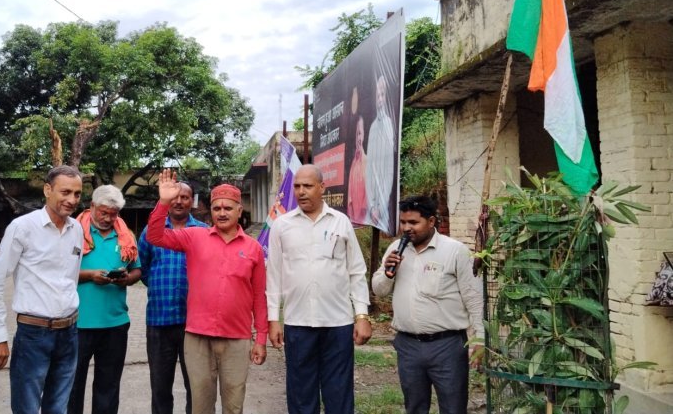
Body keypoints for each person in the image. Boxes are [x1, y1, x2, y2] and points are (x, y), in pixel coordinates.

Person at [146, 170, 267, 414]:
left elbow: (258, 296)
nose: (222, 212)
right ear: (210, 211)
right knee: (201, 406)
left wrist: (261, 338)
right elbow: (155, 236)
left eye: (228, 208)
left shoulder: (253, 248)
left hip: (237, 338)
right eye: (217, 208)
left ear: (239, 211)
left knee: (233, 405)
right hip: (197, 337)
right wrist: (164, 202)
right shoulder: (194, 236)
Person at [266, 164, 372, 414]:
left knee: (339, 394)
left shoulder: (341, 222)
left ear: (322, 188)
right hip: (298, 323)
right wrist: (273, 319)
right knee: (301, 395)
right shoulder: (282, 225)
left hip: (338, 323)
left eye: (308, 186)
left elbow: (356, 271)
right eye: (297, 186)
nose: (301, 191)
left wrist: (362, 316)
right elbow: (274, 276)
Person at [0, 165, 84, 414]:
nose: (71, 200)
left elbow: (70, 279)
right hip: (33, 333)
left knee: (58, 408)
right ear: (47, 190)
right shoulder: (23, 227)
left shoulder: (77, 229)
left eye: (77, 194)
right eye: (65, 192)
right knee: (26, 408)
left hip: (69, 333)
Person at [371, 196, 484, 414]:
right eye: (403, 222)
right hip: (408, 346)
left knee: (453, 407)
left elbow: (474, 297)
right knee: (414, 407)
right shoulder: (396, 248)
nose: (406, 228)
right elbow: (379, 290)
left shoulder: (455, 251)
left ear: (431, 221)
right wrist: (387, 272)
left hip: (447, 346)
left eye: (413, 223)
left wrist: (479, 339)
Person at [68, 185, 142, 414]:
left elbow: (137, 270)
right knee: (71, 385)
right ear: (91, 206)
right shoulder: (72, 232)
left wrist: (127, 279)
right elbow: (59, 273)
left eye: (113, 213)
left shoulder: (125, 236)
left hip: (115, 324)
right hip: (77, 324)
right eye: (103, 212)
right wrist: (90, 276)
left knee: (108, 385)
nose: (108, 218)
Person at [138, 181, 207, 414]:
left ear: (192, 201)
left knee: (196, 385)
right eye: (175, 197)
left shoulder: (204, 232)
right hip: (159, 320)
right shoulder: (151, 230)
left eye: (185, 197)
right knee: (160, 386)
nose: (178, 201)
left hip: (194, 324)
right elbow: (143, 269)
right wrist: (161, 287)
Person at [366, 73, 397, 232]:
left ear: (387, 96)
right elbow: (370, 171)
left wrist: (380, 207)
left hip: (384, 209)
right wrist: (372, 207)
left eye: (382, 94)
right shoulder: (372, 127)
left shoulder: (389, 124)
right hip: (371, 209)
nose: (379, 99)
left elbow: (388, 173)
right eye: (377, 95)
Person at [347, 116, 369, 223]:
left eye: (359, 133)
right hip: (354, 220)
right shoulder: (353, 163)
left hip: (364, 219)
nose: (358, 139)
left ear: (364, 134)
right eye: (356, 135)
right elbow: (350, 198)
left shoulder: (367, 162)